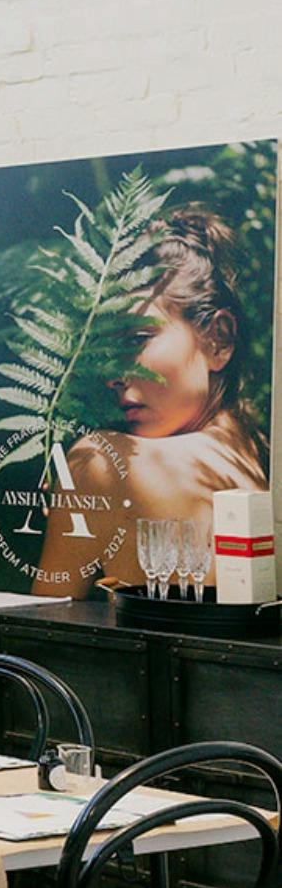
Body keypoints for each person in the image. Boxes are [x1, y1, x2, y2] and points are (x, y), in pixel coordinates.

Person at [35, 207, 270, 596]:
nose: (113, 374)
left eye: (137, 338)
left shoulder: (103, 463)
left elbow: (34, 642)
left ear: (219, 339)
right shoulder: (257, 451)